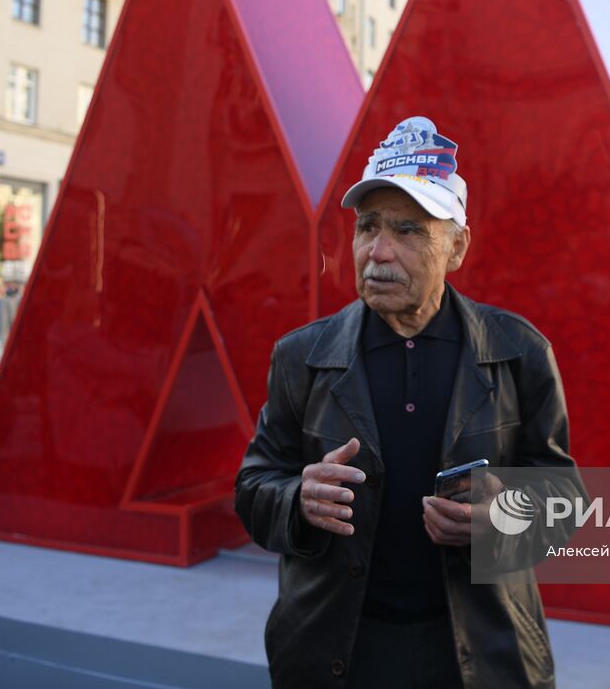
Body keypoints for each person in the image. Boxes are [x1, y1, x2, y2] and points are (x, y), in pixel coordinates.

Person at [236, 116, 583, 689]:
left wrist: (503, 516)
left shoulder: (518, 351)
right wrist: (299, 498)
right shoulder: (302, 356)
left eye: (409, 230)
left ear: (457, 247)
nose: (379, 252)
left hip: (480, 651)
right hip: (337, 650)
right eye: (367, 227)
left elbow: (564, 496)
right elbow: (254, 487)